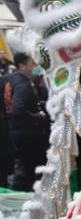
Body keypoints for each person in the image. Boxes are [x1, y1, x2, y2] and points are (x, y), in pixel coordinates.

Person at [3, 52, 49, 191]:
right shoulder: (23, 84)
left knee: (23, 168)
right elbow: (19, 109)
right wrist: (38, 116)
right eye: (33, 64)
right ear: (22, 65)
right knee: (30, 170)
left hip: (12, 131)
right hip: (27, 134)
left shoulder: (9, 79)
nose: (36, 66)